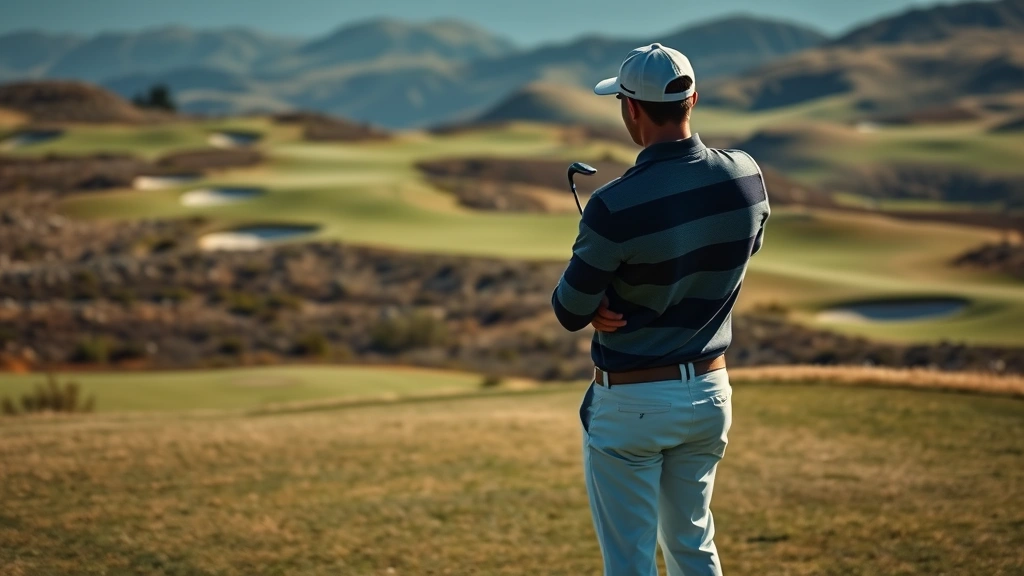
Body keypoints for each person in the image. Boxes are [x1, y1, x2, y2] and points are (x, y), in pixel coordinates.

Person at [551, 43, 770, 576]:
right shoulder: (746, 175)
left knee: (630, 564)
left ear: (631, 109)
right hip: (712, 393)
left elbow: (568, 308)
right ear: (692, 97)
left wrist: (606, 293)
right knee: (694, 549)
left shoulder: (612, 203)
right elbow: (744, 248)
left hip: (633, 403)